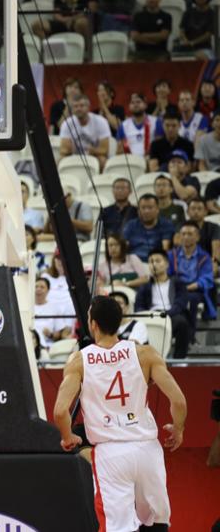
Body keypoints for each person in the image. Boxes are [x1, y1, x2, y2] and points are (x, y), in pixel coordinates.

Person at [53, 295, 186, 532]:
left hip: (111, 453)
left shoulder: (78, 361)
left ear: (93, 324)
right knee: (157, 521)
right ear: (119, 321)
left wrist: (67, 437)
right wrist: (178, 429)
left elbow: (60, 411)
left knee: (117, 526)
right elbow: (178, 400)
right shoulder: (146, 354)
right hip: (146, 447)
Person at [135, 248, 192, 358]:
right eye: (151, 262)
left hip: (171, 316)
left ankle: (179, 360)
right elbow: (138, 307)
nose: (154, 264)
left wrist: (166, 314)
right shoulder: (144, 287)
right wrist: (150, 315)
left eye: (158, 261)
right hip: (151, 317)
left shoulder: (177, 283)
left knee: (182, 323)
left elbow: (180, 303)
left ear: (167, 264)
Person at [167, 221, 217, 323]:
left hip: (195, 290)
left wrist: (190, 287)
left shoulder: (204, 256)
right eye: (183, 234)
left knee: (191, 299)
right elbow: (167, 274)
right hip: (175, 288)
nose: (186, 237)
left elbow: (207, 278)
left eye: (190, 234)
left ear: (197, 237)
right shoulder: (171, 255)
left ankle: (190, 330)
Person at [59, 94, 111, 171]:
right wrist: (69, 149)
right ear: (72, 109)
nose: (78, 109)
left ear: (88, 107)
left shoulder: (101, 121)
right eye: (75, 106)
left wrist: (93, 151)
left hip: (95, 156)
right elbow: (63, 150)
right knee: (60, 160)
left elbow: (105, 150)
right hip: (74, 156)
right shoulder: (67, 123)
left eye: (82, 106)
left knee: (103, 160)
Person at [123, 194, 175, 261]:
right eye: (143, 208)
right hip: (133, 262)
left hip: (155, 261)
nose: (146, 211)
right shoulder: (131, 225)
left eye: (150, 208)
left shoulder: (166, 225)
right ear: (138, 210)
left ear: (157, 209)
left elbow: (165, 249)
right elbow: (123, 247)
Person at [117, 91, 158, 157]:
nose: (135, 105)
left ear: (145, 105)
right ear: (129, 106)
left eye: (138, 102)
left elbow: (160, 145)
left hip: (150, 158)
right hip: (130, 160)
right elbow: (120, 150)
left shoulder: (156, 122)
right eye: (132, 103)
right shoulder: (123, 126)